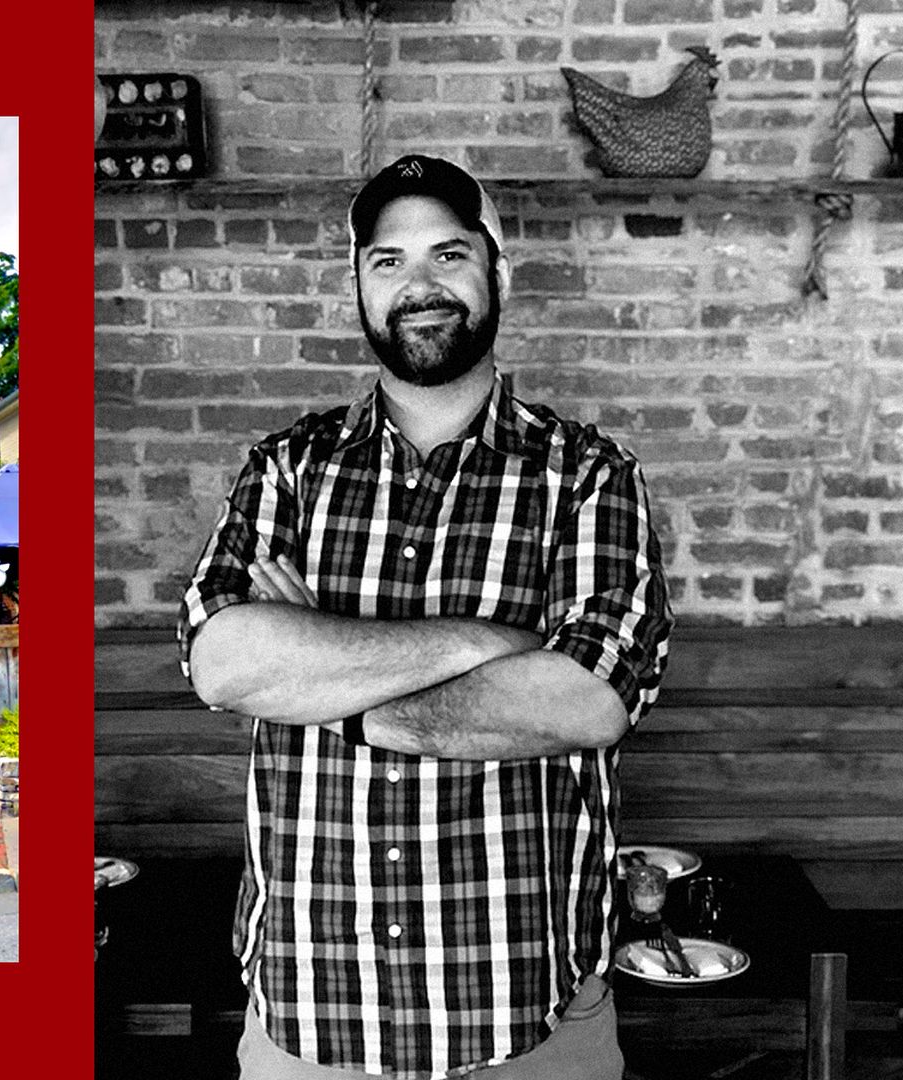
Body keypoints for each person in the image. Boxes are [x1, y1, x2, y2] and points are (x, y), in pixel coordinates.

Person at [178, 153, 674, 1079]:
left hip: (529, 1007)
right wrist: (488, 645)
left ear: (497, 274)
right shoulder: (286, 470)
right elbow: (225, 663)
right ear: (360, 288)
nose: (420, 285)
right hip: (312, 1009)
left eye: (450, 254)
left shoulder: (589, 474)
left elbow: (590, 700)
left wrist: (328, 687)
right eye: (389, 261)